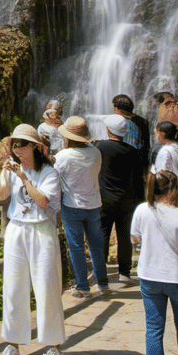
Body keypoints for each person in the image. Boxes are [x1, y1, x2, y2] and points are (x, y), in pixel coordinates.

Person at [0, 123, 65, 355]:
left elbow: (43, 202)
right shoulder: (12, 170)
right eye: (14, 144)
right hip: (17, 229)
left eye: (22, 144)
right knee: (13, 287)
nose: (17, 148)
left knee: (47, 287)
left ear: (34, 146)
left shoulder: (49, 173)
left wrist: (23, 178)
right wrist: (5, 173)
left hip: (41, 230)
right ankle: (12, 344)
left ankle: (52, 346)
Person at [130, 170, 178, 355]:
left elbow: (135, 238)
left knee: (154, 328)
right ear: (173, 190)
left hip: (149, 276)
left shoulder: (141, 210)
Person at [55, 115, 110, 298]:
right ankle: (103, 284)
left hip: (71, 205)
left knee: (76, 247)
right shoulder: (95, 152)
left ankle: (82, 287)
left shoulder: (63, 156)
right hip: (94, 204)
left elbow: (54, 176)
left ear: (68, 137)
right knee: (96, 246)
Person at [97, 114, 144, 285]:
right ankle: (124, 272)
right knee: (124, 236)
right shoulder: (132, 151)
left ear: (108, 130)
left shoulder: (100, 147)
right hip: (126, 200)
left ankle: (101, 273)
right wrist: (140, 201)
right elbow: (138, 179)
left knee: (102, 234)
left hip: (104, 199)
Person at [153, 121, 178, 212]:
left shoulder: (165, 151)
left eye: (156, 133)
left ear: (162, 134)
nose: (155, 136)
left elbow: (162, 173)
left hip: (170, 189)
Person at [114, 93, 151, 169]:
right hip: (143, 160)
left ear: (118, 109)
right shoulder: (142, 120)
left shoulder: (127, 123)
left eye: (114, 108)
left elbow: (130, 145)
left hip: (131, 163)